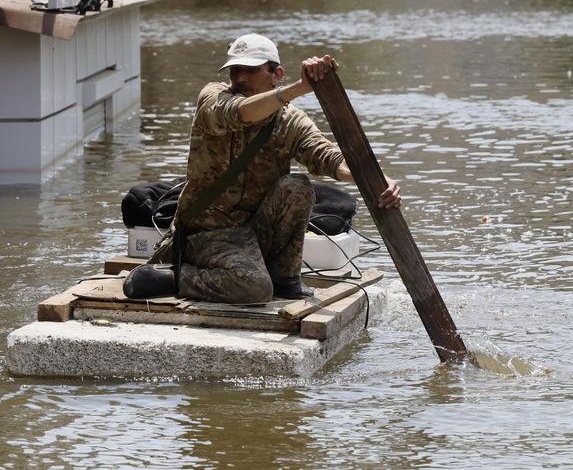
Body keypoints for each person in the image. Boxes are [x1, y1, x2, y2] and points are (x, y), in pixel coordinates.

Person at [126, 33, 402, 304]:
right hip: (208, 232)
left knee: (297, 186)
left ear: (276, 73)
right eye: (235, 70)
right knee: (255, 289)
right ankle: (173, 277)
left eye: (251, 70)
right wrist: (299, 87)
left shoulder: (290, 120)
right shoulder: (214, 97)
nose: (240, 78)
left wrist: (378, 181)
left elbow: (329, 157)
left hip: (255, 231)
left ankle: (286, 278)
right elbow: (242, 112)